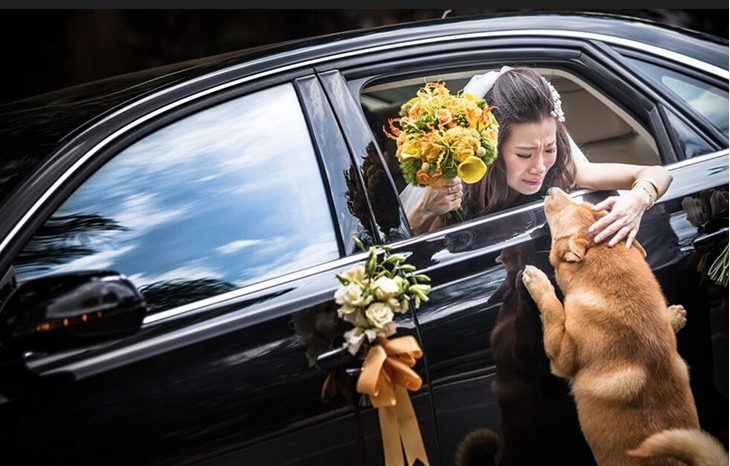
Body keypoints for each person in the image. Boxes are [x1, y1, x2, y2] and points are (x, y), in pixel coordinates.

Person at [404, 66, 672, 249]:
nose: (540, 167)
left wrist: (638, 200)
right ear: (494, 150)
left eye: (549, 149)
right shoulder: (458, 193)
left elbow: (658, 173)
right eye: (524, 154)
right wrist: (425, 211)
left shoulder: (563, 170)